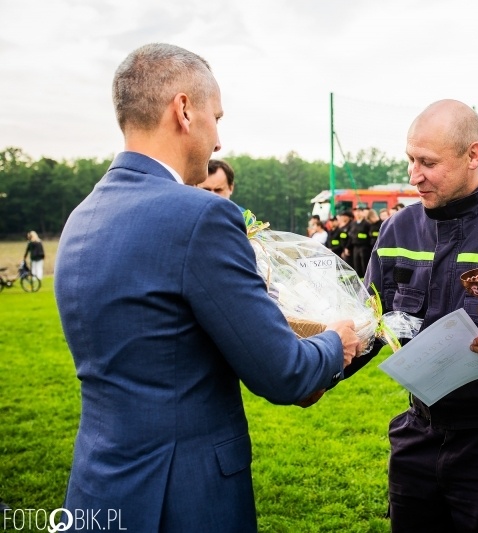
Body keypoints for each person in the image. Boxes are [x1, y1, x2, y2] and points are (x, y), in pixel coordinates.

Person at [53, 43, 358, 533]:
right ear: (184, 110)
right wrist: (335, 341)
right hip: (184, 493)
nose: (218, 141)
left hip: (97, 486)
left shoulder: (81, 216)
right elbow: (282, 372)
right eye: (216, 117)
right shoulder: (203, 215)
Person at [344, 100, 478, 532]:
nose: (415, 175)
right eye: (411, 160)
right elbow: (367, 321)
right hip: (418, 433)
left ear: (473, 155)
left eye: (428, 163)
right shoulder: (398, 229)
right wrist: (315, 365)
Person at [349, 203, 372, 277]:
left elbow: (369, 236)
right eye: (356, 211)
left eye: (359, 211)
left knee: (364, 266)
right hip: (355, 247)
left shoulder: (367, 224)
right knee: (357, 266)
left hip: (364, 247)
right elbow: (351, 236)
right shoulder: (353, 224)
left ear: (363, 212)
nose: (357, 213)